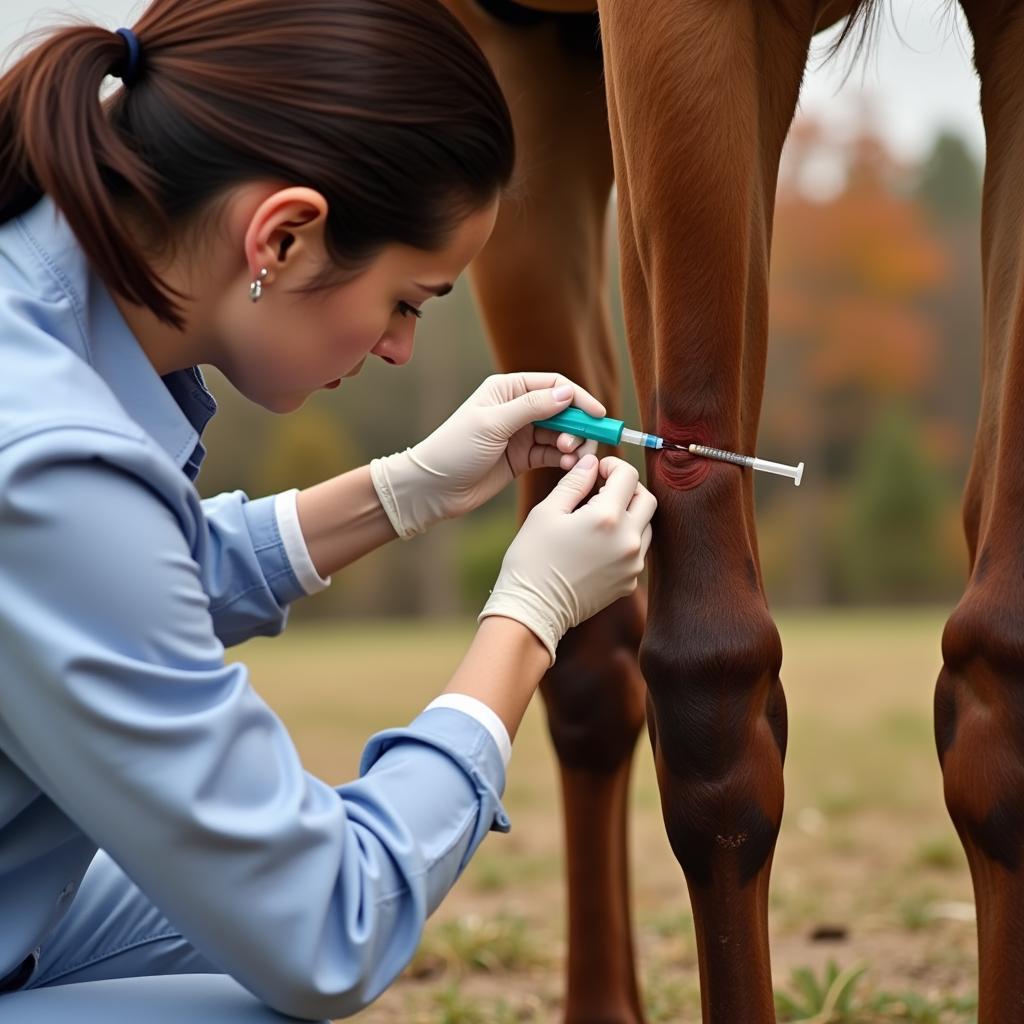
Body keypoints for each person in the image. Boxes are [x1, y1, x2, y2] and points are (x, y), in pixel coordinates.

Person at [0, 1, 657, 1020]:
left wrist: (406, 488)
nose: (399, 348)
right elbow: (328, 925)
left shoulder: (35, 329)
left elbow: (103, 590)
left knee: (216, 913)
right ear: (283, 235)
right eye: (409, 300)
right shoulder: (47, 462)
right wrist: (527, 617)